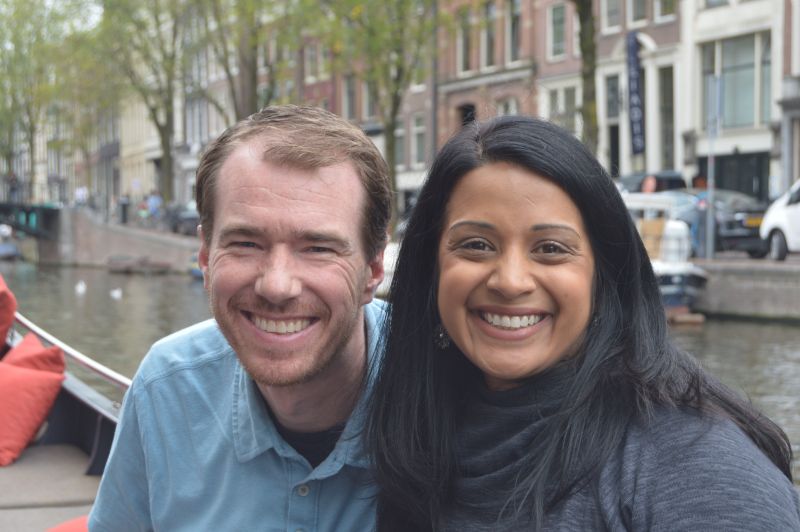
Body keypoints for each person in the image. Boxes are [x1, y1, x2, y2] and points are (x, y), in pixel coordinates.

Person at [366, 116, 799, 531]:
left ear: (603, 275)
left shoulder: (698, 469)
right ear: (432, 268)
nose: (511, 281)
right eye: (477, 245)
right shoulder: (410, 435)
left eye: (551, 248)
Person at [89, 105, 392, 530]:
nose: (277, 285)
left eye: (318, 248)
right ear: (204, 255)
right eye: (246, 243)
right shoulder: (166, 390)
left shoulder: (448, 384)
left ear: (373, 268)